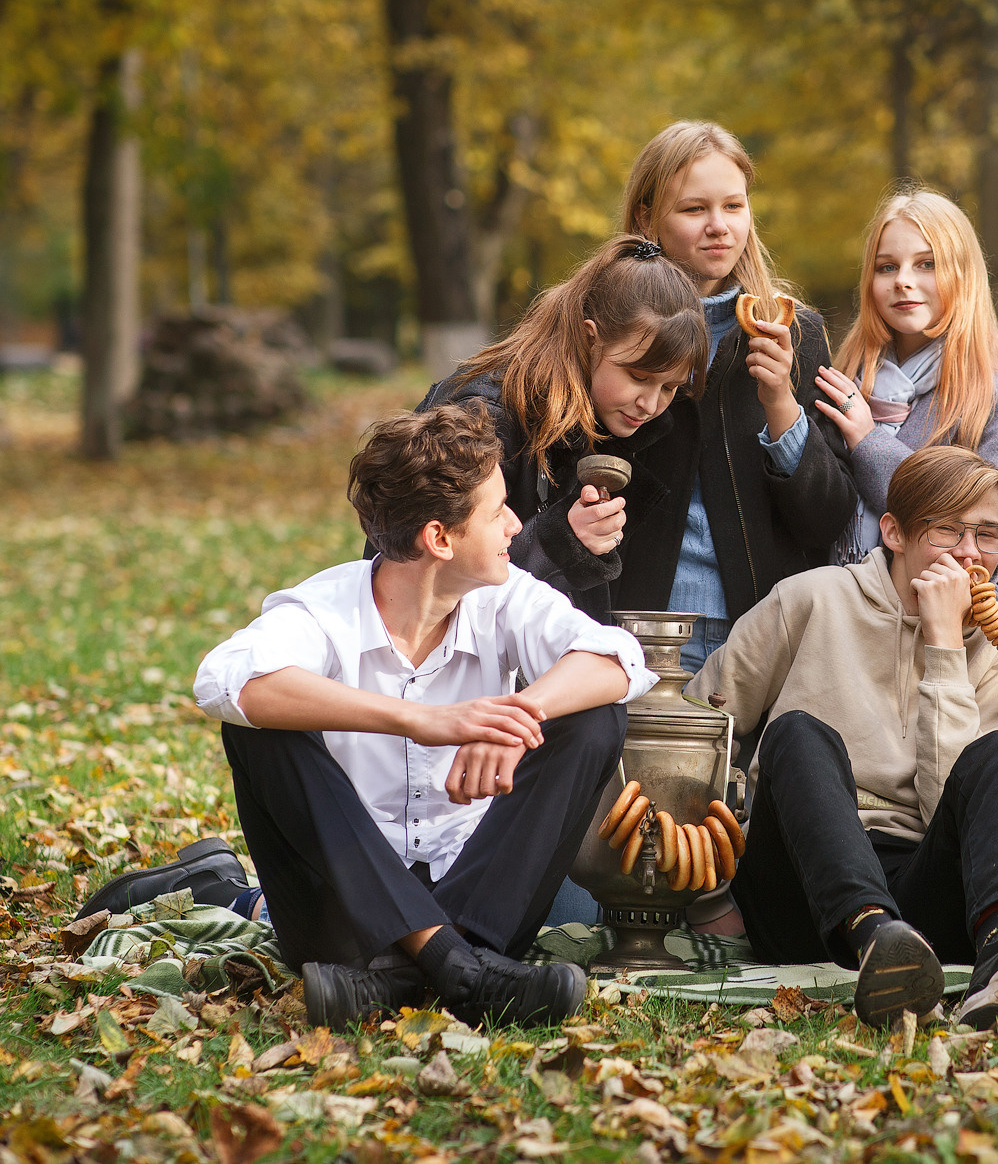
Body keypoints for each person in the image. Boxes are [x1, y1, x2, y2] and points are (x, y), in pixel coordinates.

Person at [191, 404, 659, 1029]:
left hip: (482, 908)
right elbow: (226, 679)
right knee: (261, 729)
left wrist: (520, 715)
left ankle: (415, 975)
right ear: (440, 538)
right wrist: (420, 721)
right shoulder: (326, 607)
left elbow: (620, 659)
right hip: (341, 922)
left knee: (593, 717)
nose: (516, 525)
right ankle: (463, 972)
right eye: (497, 512)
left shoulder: (505, 597)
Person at [687, 446, 998, 1030]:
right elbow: (698, 733)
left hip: (922, 882)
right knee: (798, 734)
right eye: (947, 530)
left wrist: (944, 648)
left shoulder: (995, 648)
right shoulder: (812, 599)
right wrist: (706, 895)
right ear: (894, 532)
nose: (969, 554)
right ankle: (875, 940)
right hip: (802, 887)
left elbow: (948, 802)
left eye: (986, 535)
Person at [618, 121, 859, 674]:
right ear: (644, 217)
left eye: (734, 206)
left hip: (760, 634)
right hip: (633, 628)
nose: (719, 227)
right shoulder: (611, 326)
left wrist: (780, 405)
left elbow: (827, 519)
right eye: (694, 209)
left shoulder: (793, 332)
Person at [416, 236, 708, 621]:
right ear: (590, 338)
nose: (651, 405)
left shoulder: (603, 417)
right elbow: (430, 573)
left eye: (670, 387)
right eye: (639, 376)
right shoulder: (483, 415)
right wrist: (564, 539)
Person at [812, 189, 998, 593]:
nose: (903, 281)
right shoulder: (844, 383)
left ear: (963, 275)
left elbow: (982, 544)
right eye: (887, 267)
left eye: (926, 264)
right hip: (840, 618)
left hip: (950, 628)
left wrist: (868, 441)